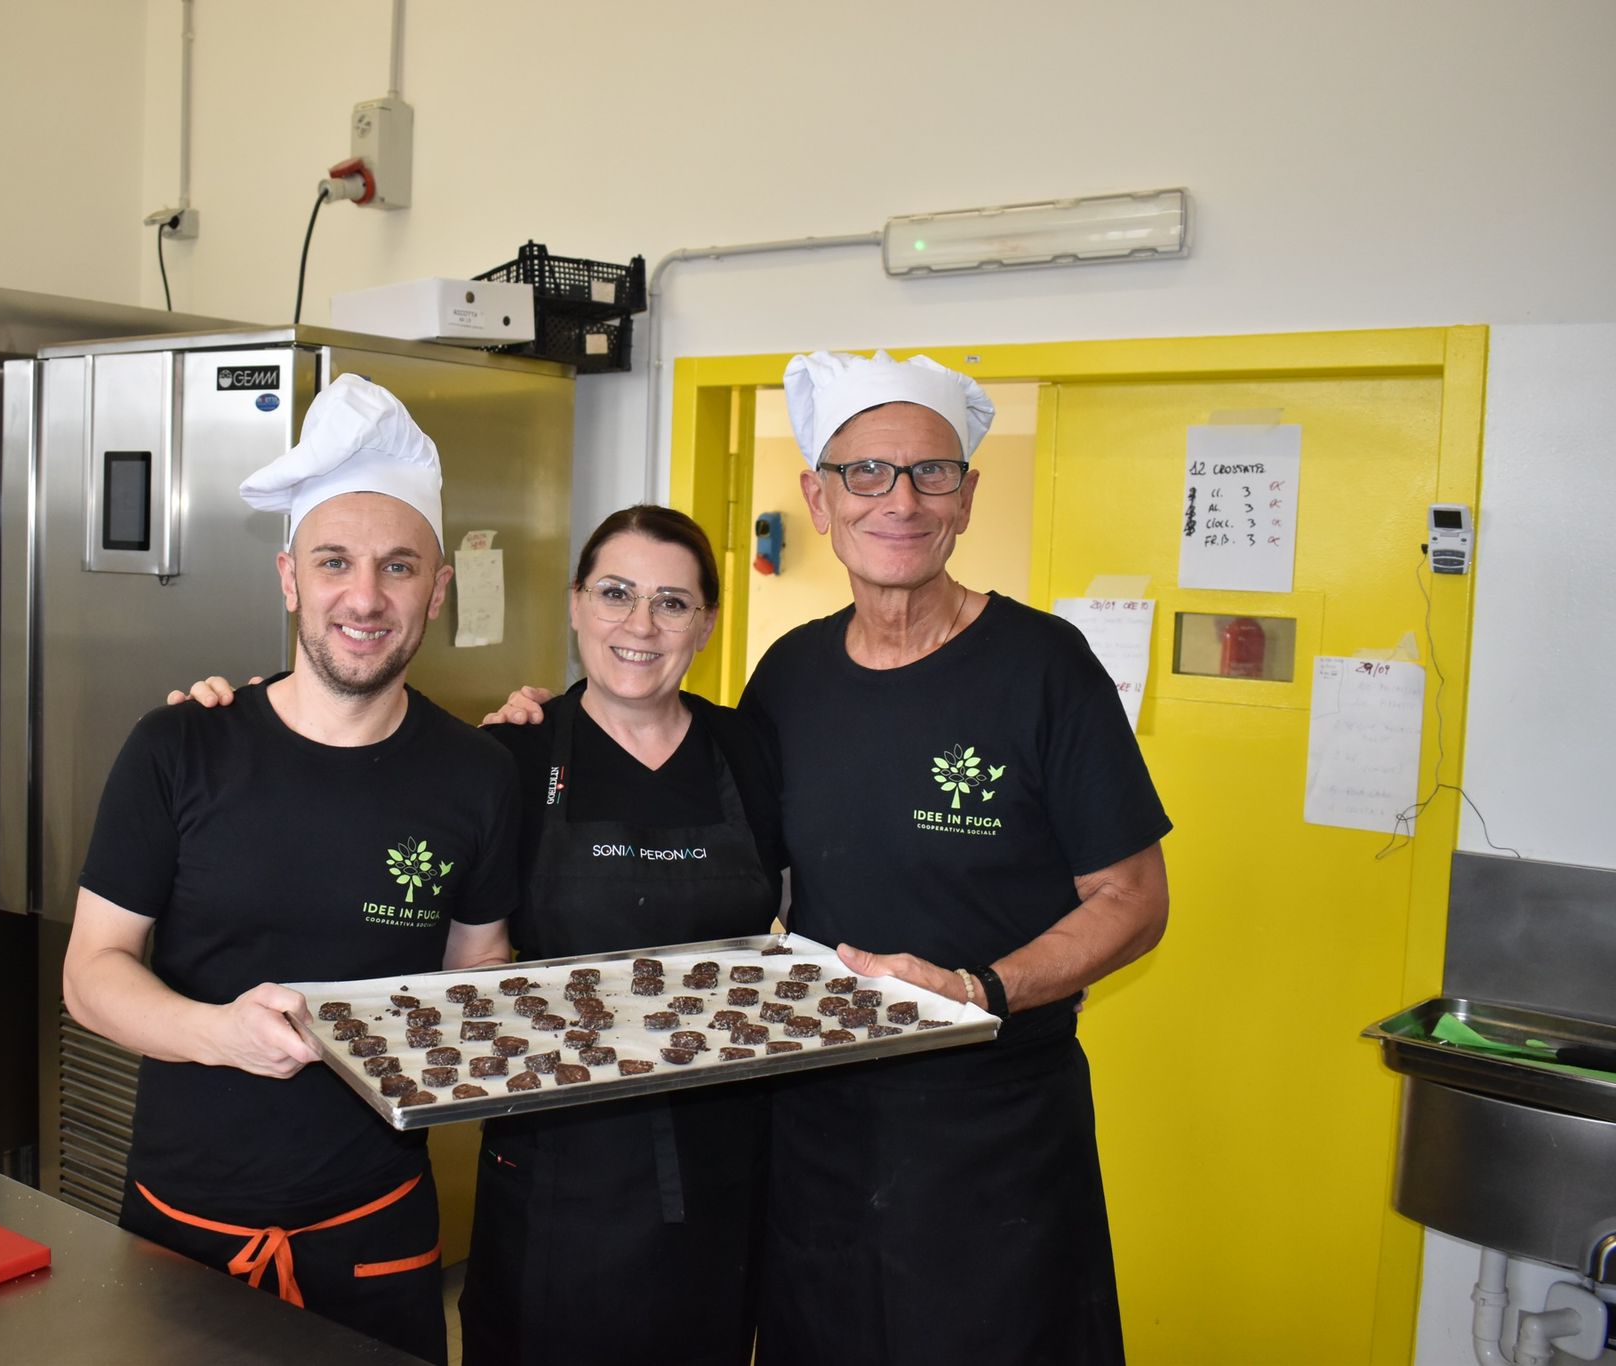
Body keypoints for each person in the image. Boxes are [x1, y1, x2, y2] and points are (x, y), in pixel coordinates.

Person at [489, 350, 1172, 1365]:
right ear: (817, 497)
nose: (898, 500)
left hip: (987, 1132)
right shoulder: (788, 677)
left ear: (966, 497)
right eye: (865, 473)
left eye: (929, 472)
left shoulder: (1044, 668)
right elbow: (685, 794)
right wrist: (539, 725)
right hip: (809, 1126)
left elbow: (1133, 897)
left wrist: (979, 986)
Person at [176, 504, 786, 1365]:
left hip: (725, 1150)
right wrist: (231, 721)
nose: (640, 625)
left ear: (707, 623)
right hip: (557, 1163)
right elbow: (444, 939)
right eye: (615, 593)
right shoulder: (507, 756)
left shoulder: (751, 751)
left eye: (673, 603)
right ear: (575, 605)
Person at [63, 375, 520, 1366]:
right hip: (180, 1232)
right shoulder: (178, 746)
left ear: (436, 590)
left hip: (377, 1236)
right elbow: (92, 971)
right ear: (288, 579)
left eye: (399, 566)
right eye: (334, 561)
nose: (365, 595)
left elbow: (475, 968)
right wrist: (217, 1033)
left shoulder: (477, 777)